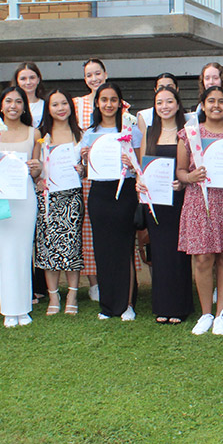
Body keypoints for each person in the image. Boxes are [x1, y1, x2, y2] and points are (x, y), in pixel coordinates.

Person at [178, 86, 223, 336]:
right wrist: (190, 175)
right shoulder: (190, 134)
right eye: (211, 101)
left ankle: (221, 314)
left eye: (221, 101)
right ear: (203, 104)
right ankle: (205, 313)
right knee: (202, 257)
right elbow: (180, 172)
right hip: (200, 201)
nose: (216, 106)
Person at [0, 86, 42, 328]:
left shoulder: (34, 133)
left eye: (18, 102)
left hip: (25, 197)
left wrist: (36, 167)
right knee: (5, 251)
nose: (13, 106)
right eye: (9, 101)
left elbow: (37, 172)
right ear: (1, 105)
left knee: (24, 251)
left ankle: (24, 307)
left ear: (24, 107)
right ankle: (9, 309)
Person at [81, 83, 141, 321]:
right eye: (104, 99)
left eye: (113, 99)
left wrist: (131, 161)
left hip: (124, 192)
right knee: (103, 251)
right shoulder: (90, 132)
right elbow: (86, 171)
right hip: (99, 194)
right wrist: (85, 160)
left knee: (124, 249)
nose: (108, 104)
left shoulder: (130, 129)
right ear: (97, 103)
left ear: (120, 103)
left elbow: (139, 166)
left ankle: (127, 304)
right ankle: (107, 305)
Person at [137, 85, 192, 324]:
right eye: (160, 103)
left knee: (179, 253)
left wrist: (182, 183)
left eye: (169, 102)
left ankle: (180, 307)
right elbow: (142, 166)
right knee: (159, 254)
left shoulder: (187, 132)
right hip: (156, 201)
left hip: (180, 199)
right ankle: (162, 306)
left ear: (178, 105)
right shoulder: (149, 132)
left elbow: (191, 167)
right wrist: (140, 183)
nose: (164, 107)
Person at [35, 89, 85, 316]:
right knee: (48, 247)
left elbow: (86, 169)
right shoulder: (41, 135)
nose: (61, 108)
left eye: (64, 103)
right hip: (48, 197)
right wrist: (38, 178)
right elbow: (35, 166)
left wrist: (82, 170)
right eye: (55, 105)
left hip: (72, 197)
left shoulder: (80, 134)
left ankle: (72, 295)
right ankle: (53, 296)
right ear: (48, 109)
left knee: (72, 247)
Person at [73, 58, 110, 303]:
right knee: (87, 229)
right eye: (89, 75)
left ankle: (112, 278)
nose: (94, 78)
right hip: (85, 177)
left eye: (98, 73)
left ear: (105, 74)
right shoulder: (76, 105)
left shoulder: (118, 102)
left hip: (110, 175)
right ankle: (94, 283)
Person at [12, 62, 46, 128]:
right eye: (23, 79)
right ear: (17, 81)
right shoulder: (12, 106)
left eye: (32, 78)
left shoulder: (47, 104)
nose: (28, 82)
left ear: (38, 80)